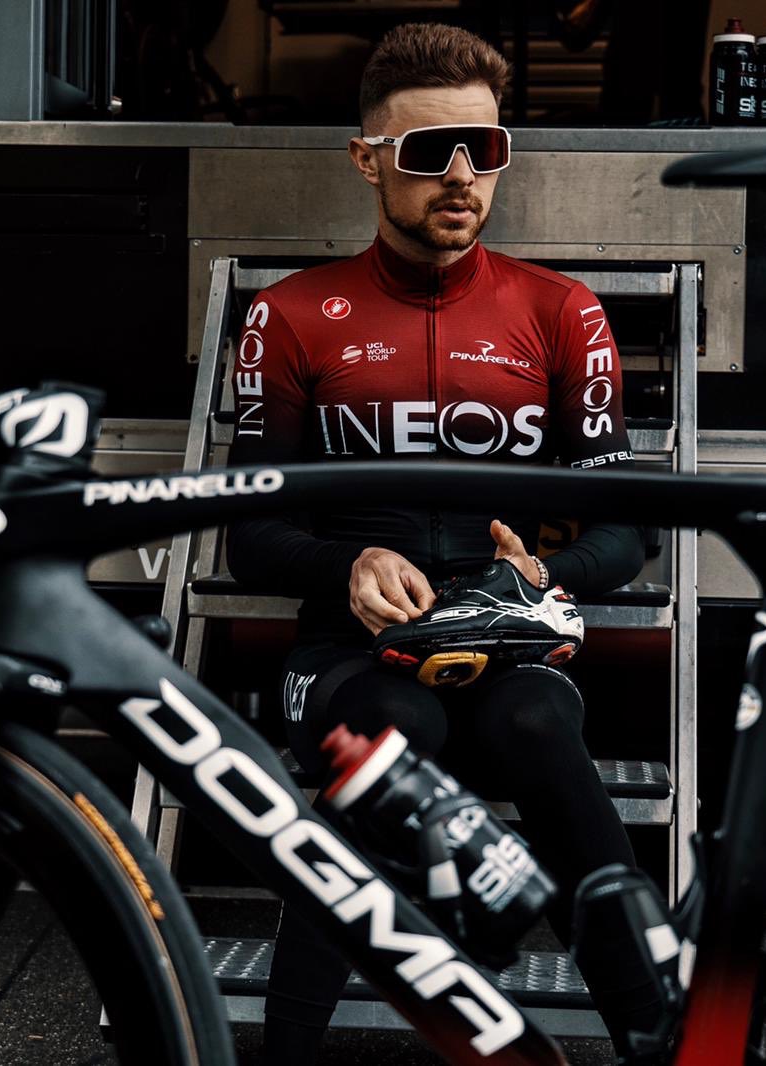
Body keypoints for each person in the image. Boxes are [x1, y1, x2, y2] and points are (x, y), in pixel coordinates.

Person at [225, 22, 659, 1063]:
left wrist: (543, 574)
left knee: (540, 724)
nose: (462, 177)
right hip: (347, 659)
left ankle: (659, 1041)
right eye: (429, 153)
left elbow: (629, 529)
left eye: (485, 150)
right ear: (368, 158)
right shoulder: (290, 314)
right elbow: (251, 536)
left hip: (506, 647)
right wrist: (348, 564)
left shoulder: (562, 312)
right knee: (393, 727)